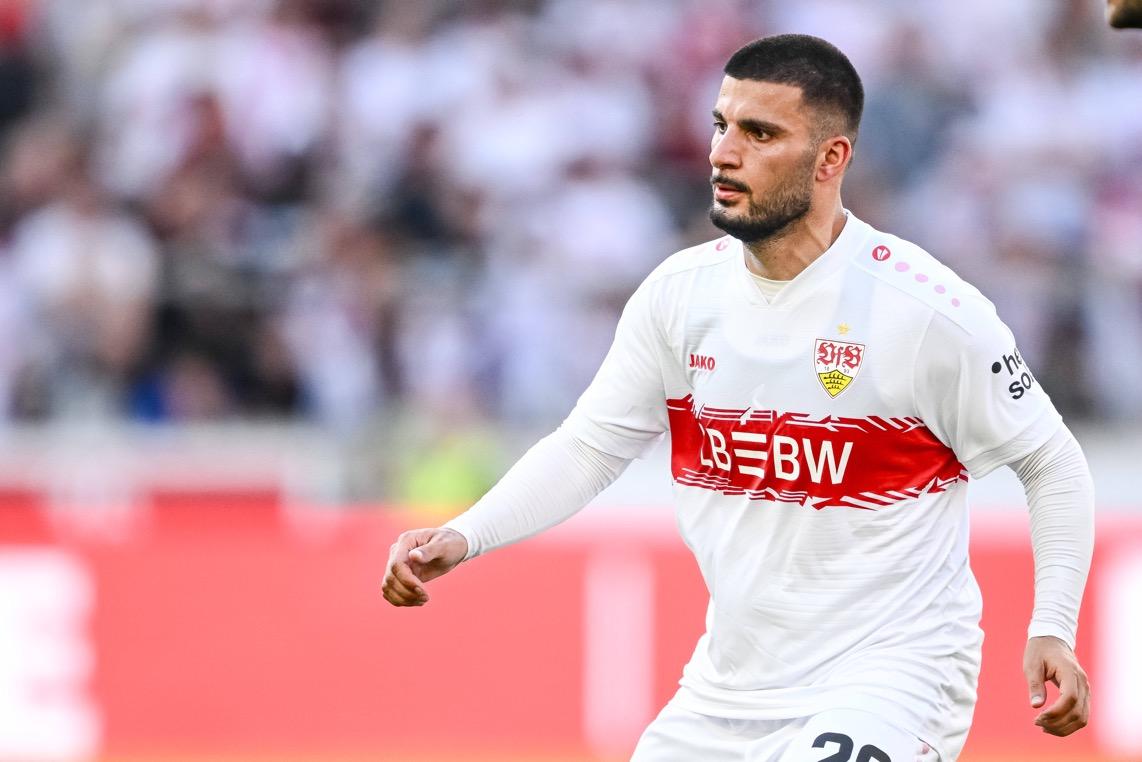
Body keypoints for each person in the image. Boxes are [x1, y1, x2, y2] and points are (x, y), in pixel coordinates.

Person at [382, 34, 1094, 761]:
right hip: (726, 690)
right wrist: (466, 534)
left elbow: (1051, 462)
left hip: (890, 678)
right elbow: (590, 447)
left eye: (760, 133)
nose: (724, 153)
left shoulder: (926, 311)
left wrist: (1053, 625)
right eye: (721, 125)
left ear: (830, 159)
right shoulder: (679, 296)